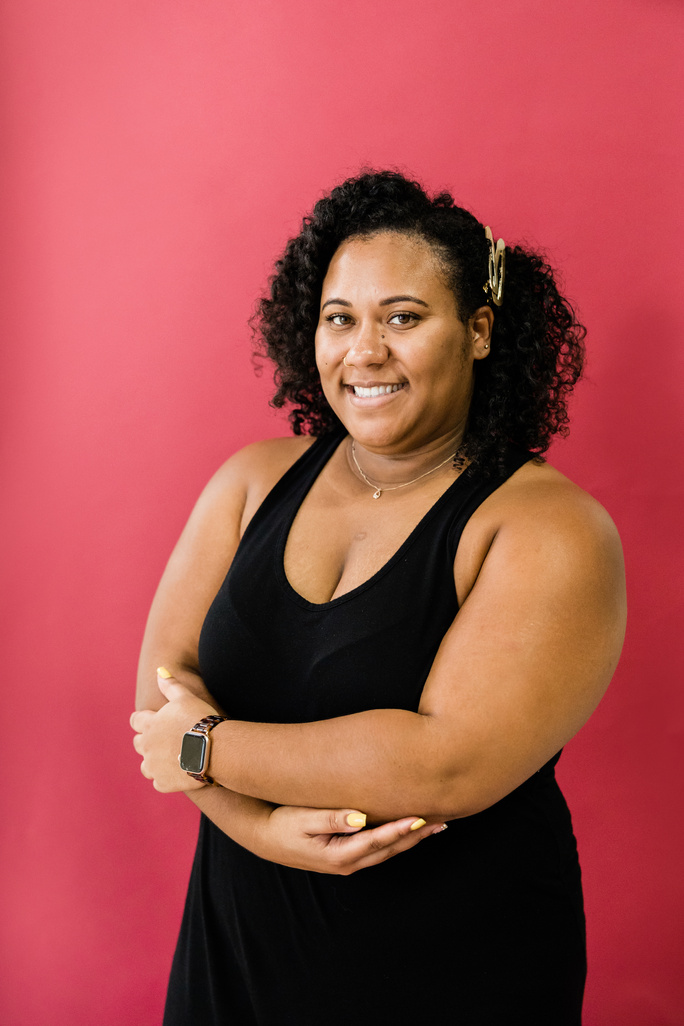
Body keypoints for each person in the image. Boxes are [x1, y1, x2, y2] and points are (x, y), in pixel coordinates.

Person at [130, 170, 626, 1025]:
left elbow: (443, 764)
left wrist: (202, 751)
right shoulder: (253, 481)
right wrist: (258, 831)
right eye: (340, 318)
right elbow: (160, 698)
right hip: (239, 951)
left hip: (453, 969)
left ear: (477, 331)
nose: (363, 351)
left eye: (403, 317)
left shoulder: (549, 526)